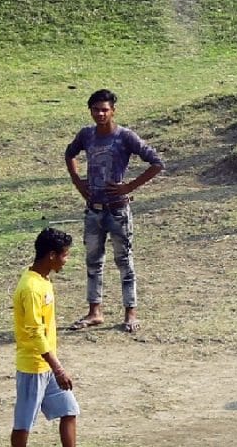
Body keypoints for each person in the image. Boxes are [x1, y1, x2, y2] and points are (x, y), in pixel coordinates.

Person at [63, 89, 164, 333]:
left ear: (113, 111)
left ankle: (131, 312)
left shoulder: (125, 137)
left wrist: (129, 186)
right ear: (90, 111)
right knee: (93, 262)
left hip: (118, 210)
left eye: (104, 109)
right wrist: (78, 182)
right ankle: (94, 312)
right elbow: (70, 154)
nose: (100, 114)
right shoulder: (86, 135)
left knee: (124, 261)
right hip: (94, 210)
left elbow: (157, 162)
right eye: (96, 109)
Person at [11, 227, 99, 447]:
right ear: (51, 255)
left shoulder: (42, 281)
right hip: (34, 366)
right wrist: (57, 367)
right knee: (24, 422)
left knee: (69, 411)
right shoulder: (30, 288)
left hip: (47, 364)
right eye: (64, 255)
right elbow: (34, 332)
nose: (66, 260)